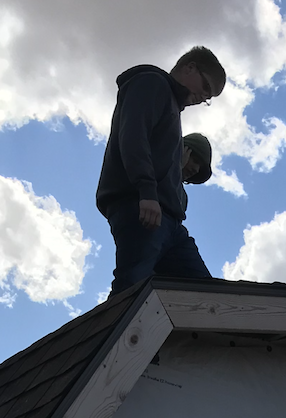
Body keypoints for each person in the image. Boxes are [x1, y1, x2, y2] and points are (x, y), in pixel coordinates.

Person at [96, 47, 226, 295]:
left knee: (206, 294)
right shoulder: (152, 83)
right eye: (206, 87)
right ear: (190, 67)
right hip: (142, 207)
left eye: (209, 97)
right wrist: (146, 191)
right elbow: (134, 137)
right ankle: (115, 322)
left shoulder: (172, 107)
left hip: (170, 220)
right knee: (132, 288)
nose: (203, 97)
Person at [178, 132, 213, 216]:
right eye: (195, 161)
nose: (196, 170)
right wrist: (177, 166)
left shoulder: (182, 198)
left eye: (200, 167)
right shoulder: (152, 172)